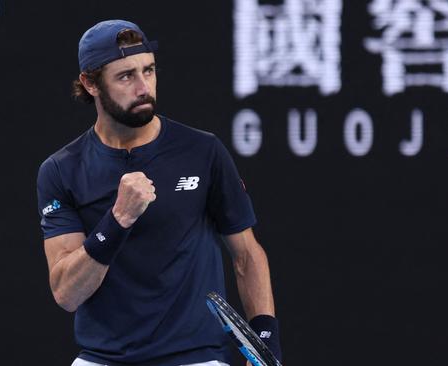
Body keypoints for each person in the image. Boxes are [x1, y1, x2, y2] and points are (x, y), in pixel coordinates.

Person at [37, 19, 281, 366]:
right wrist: (117, 220)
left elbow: (246, 255)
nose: (143, 87)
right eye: (125, 76)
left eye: (148, 71)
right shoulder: (61, 170)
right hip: (102, 359)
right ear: (90, 83)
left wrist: (266, 338)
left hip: (196, 359)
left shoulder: (203, 151)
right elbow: (66, 293)